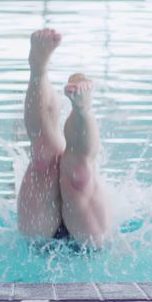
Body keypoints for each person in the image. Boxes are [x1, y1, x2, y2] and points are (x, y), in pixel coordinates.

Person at [17, 28, 112, 246]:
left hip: (37, 244)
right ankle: (80, 108)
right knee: (61, 164)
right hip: (89, 244)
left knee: (54, 161)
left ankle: (40, 74)